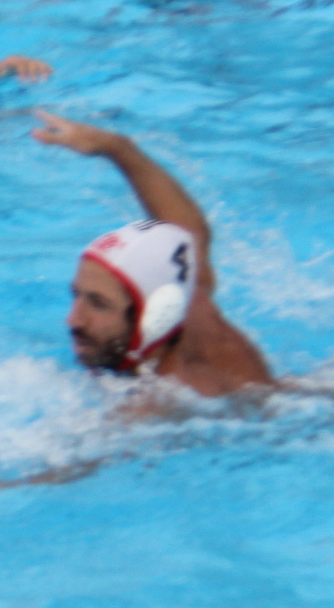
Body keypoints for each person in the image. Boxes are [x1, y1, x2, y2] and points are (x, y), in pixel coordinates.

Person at [37, 112, 272, 397]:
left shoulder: (166, 398)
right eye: (77, 295)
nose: (74, 320)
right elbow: (187, 236)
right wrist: (117, 148)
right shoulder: (190, 305)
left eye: (99, 304)